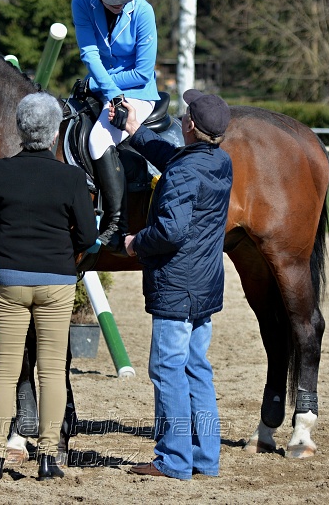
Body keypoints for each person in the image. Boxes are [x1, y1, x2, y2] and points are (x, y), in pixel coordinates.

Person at [0, 92, 98, 481]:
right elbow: (88, 236)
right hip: (56, 281)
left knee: (4, 370)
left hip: (9, 279)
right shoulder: (72, 177)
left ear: (20, 129)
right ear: (56, 132)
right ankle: (47, 458)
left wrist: (7, 248)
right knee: (53, 371)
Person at [111, 89, 232, 480]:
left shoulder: (185, 170)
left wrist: (134, 244)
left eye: (184, 115)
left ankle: (174, 459)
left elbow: (170, 230)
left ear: (190, 125)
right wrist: (135, 130)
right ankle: (205, 457)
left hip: (177, 287)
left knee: (167, 370)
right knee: (196, 369)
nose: (181, 118)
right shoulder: (220, 161)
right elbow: (177, 161)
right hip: (205, 285)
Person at [71, 0, 160, 254]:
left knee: (98, 139)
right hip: (102, 87)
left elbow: (142, 72)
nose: (121, 3)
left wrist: (98, 85)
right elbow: (89, 54)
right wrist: (105, 89)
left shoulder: (143, 12)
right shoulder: (81, 3)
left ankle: (116, 224)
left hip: (139, 91)